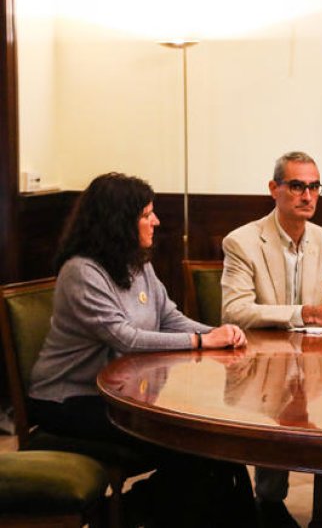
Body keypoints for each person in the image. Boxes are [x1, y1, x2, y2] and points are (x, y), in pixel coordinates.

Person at [27, 172, 255, 527]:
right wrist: (201, 342)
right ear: (119, 221)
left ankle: (142, 512)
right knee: (191, 451)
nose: (156, 221)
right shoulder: (81, 272)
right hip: (69, 399)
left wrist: (219, 333)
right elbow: (125, 338)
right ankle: (124, 513)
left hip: (122, 394)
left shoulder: (138, 263)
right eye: (147, 213)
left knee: (219, 451)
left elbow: (169, 318)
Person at [220, 151, 322, 528]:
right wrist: (308, 313)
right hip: (260, 362)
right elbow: (235, 310)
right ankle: (270, 504)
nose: (307, 196)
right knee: (279, 401)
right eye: (296, 186)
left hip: (316, 364)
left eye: (313, 187)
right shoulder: (242, 242)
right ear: (274, 189)